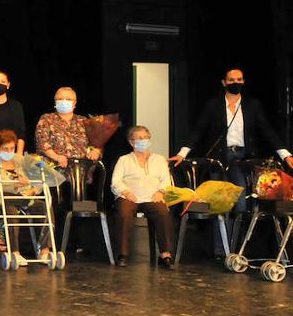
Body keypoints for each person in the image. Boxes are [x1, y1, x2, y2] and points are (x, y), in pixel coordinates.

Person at [171, 68, 293, 215]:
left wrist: (285, 155)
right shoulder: (214, 105)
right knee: (218, 202)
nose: (236, 83)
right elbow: (199, 130)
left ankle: (238, 234)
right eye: (231, 80)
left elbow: (268, 131)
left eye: (239, 80)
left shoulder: (252, 105)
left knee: (241, 199)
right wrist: (182, 153)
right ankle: (221, 237)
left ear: (243, 81)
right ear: (224, 82)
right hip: (220, 157)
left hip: (243, 157)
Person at [0, 129, 50, 266]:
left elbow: (37, 180)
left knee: (43, 206)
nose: (9, 151)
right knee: (10, 210)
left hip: (23, 197)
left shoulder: (21, 160)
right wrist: (17, 185)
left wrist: (32, 190)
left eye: (12, 148)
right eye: (5, 149)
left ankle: (44, 250)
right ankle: (15, 252)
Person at [112, 126, 175, 268]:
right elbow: (115, 181)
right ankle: (123, 254)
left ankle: (165, 254)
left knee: (162, 212)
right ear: (131, 142)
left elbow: (166, 181)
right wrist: (126, 192)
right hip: (129, 196)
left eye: (145, 137)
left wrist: (161, 192)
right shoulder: (124, 160)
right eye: (139, 138)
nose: (143, 141)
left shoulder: (159, 160)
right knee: (124, 212)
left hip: (152, 196)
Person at [34, 86, 101, 168]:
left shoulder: (83, 121)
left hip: (81, 173)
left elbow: (97, 143)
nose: (64, 101)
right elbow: (43, 144)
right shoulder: (46, 119)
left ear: (75, 103)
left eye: (68, 99)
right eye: (60, 99)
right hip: (55, 172)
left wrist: (96, 151)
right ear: (55, 102)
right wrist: (57, 157)